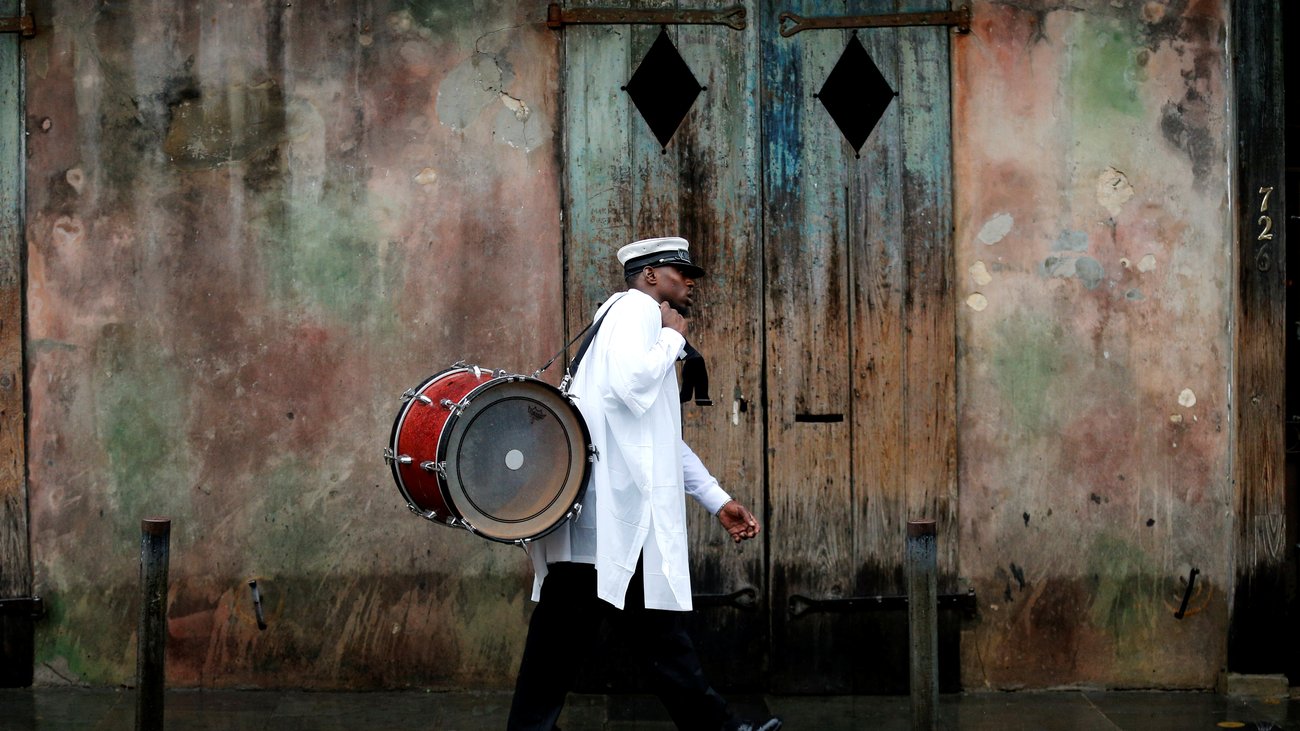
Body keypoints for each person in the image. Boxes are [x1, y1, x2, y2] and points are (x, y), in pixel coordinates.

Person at [507, 237, 781, 731]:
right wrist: (673, 337)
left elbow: (658, 440)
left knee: (619, 641)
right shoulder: (637, 310)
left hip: (599, 526)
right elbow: (632, 387)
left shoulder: (612, 320)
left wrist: (716, 500)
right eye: (682, 271)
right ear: (651, 276)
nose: (691, 281)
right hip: (610, 525)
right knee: (643, 641)